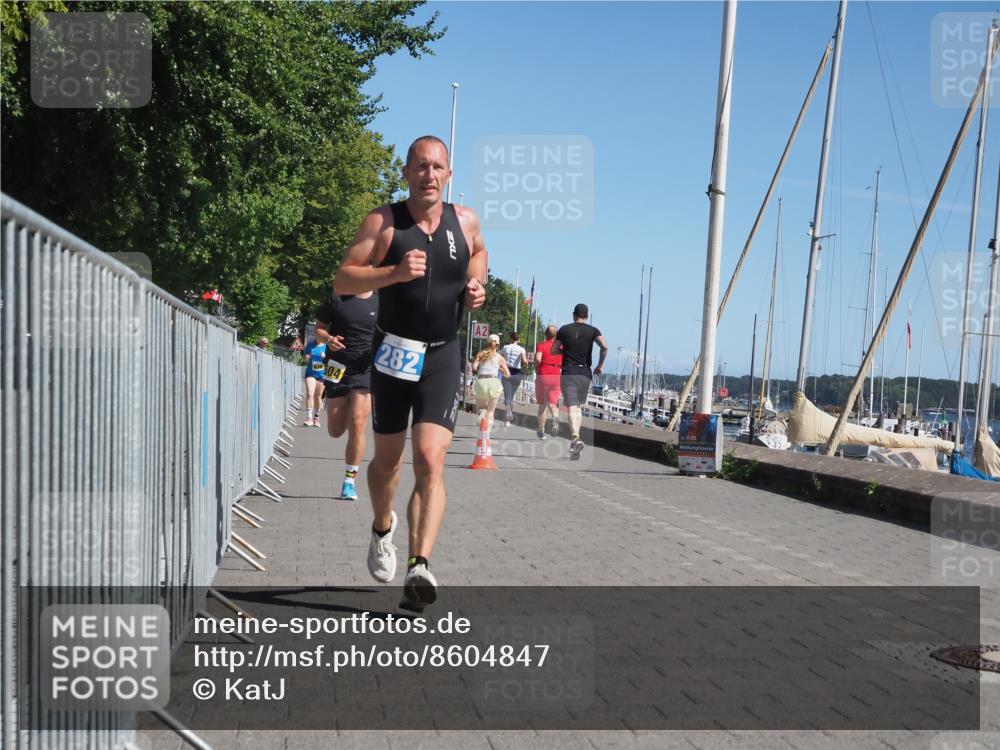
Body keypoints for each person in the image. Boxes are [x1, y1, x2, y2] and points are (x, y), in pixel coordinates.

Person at [333, 135, 487, 611]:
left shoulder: (466, 221)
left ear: (449, 175)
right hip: (393, 354)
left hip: (442, 354)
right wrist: (392, 274)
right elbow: (343, 279)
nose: (429, 174)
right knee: (388, 464)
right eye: (420, 166)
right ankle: (382, 526)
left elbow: (478, 252)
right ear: (406, 173)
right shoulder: (383, 222)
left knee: (430, 459)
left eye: (438, 166)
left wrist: (477, 283)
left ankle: (419, 566)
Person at [315, 290, 378, 501]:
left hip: (366, 370)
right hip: (337, 367)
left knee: (358, 422)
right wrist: (329, 339)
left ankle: (349, 481)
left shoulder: (383, 301)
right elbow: (319, 330)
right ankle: (342, 410)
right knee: (335, 430)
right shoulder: (337, 298)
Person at [553, 303, 608, 461]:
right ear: (587, 316)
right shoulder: (593, 331)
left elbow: (554, 350)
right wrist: (600, 366)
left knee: (571, 406)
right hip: (585, 372)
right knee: (577, 407)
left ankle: (575, 437)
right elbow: (604, 346)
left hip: (569, 371)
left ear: (573, 315)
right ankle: (574, 446)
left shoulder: (564, 329)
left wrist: (566, 350)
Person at [472, 333, 511, 432]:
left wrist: (478, 367)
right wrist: (501, 370)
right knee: (491, 412)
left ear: (487, 343)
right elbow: (507, 374)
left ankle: (482, 412)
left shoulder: (481, 354)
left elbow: (474, 367)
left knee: (482, 408)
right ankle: (487, 435)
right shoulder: (500, 358)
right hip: (494, 382)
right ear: (498, 344)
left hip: (481, 382)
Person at [533, 324, 563, 439]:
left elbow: (538, 359)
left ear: (545, 334)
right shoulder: (561, 348)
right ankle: (555, 416)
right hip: (556, 376)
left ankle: (541, 431)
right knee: (552, 403)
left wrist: (536, 368)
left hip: (543, 375)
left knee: (542, 406)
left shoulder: (541, 345)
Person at [499, 331, 529, 427]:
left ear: (510, 339)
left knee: (507, 395)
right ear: (518, 339)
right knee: (511, 395)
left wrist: (500, 367)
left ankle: (508, 416)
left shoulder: (505, 347)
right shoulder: (521, 349)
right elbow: (524, 361)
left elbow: (499, 357)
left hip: (507, 372)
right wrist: (526, 364)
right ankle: (508, 415)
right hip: (517, 374)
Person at [302, 337, 327, 426]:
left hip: (322, 374)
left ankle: (316, 417)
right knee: (309, 393)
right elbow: (305, 357)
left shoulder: (327, 346)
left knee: (318, 396)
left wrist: (325, 357)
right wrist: (307, 357)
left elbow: (332, 361)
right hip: (310, 373)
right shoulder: (310, 345)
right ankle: (309, 418)